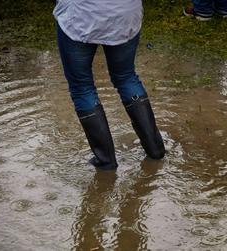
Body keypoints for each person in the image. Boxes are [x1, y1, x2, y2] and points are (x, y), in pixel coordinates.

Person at [53, 0, 165, 170]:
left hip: (81, 15)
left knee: (82, 88)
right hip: (125, 13)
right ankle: (155, 150)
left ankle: (106, 162)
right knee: (126, 77)